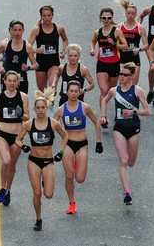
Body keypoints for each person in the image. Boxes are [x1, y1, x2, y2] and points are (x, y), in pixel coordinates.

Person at [15, 87, 68, 231]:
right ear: (34, 109)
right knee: (37, 193)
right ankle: (38, 218)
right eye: (37, 108)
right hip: (34, 161)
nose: (40, 110)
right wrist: (23, 147)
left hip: (48, 161)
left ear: (47, 108)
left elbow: (65, 136)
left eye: (43, 107)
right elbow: (17, 140)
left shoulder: (53, 124)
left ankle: (46, 180)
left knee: (48, 195)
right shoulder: (29, 124)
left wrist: (61, 153)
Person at [100, 62, 150, 205]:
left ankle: (127, 187)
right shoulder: (114, 90)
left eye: (125, 75)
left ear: (131, 76)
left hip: (133, 129)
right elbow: (104, 100)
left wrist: (134, 112)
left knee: (131, 162)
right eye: (120, 74)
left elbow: (147, 111)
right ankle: (127, 192)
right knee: (124, 161)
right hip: (119, 128)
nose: (121, 77)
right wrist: (104, 116)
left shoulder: (137, 91)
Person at [53, 80, 103, 215]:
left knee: (80, 179)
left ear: (79, 92)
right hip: (68, 144)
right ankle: (72, 203)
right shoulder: (61, 110)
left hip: (82, 144)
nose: (74, 94)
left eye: (76, 91)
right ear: (67, 92)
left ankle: (76, 163)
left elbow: (96, 121)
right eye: (71, 91)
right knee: (69, 176)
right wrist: (60, 130)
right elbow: (52, 126)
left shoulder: (85, 107)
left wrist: (99, 141)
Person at [0, 70, 30, 206]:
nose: (11, 83)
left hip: (17, 136)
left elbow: (28, 118)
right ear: (4, 81)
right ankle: (3, 189)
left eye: (14, 81)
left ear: (17, 82)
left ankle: (8, 189)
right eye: (9, 80)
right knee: (6, 161)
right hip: (2, 134)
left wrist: (21, 114)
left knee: (12, 165)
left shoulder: (23, 97)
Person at [90, 7, 128, 127]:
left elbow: (125, 46)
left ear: (112, 18)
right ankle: (103, 117)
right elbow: (93, 42)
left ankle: (106, 107)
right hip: (102, 63)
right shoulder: (98, 32)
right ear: (100, 18)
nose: (106, 20)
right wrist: (92, 49)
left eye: (109, 18)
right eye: (104, 18)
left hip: (114, 64)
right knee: (103, 89)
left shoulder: (116, 31)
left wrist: (115, 44)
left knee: (111, 90)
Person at [0, 20, 38, 94]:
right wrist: (0, 67)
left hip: (21, 78)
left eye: (19, 30)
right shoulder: (5, 45)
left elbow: (35, 65)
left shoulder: (27, 46)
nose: (17, 32)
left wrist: (28, 68)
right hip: (7, 78)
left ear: (23, 30)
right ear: (11, 30)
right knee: (6, 100)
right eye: (15, 30)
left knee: (22, 101)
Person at [28, 5, 69, 92]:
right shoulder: (36, 30)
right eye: (44, 16)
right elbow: (27, 47)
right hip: (40, 64)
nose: (46, 18)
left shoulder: (59, 29)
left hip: (53, 62)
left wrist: (64, 51)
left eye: (49, 15)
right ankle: (44, 105)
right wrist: (36, 52)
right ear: (41, 16)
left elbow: (65, 40)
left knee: (52, 88)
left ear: (52, 15)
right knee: (42, 92)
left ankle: (51, 106)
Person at [116, 0, 148, 84]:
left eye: (133, 14)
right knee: (122, 82)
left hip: (134, 58)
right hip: (122, 58)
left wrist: (139, 49)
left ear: (136, 15)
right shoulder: (119, 27)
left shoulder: (140, 28)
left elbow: (146, 45)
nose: (130, 16)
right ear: (125, 14)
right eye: (128, 13)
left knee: (133, 84)